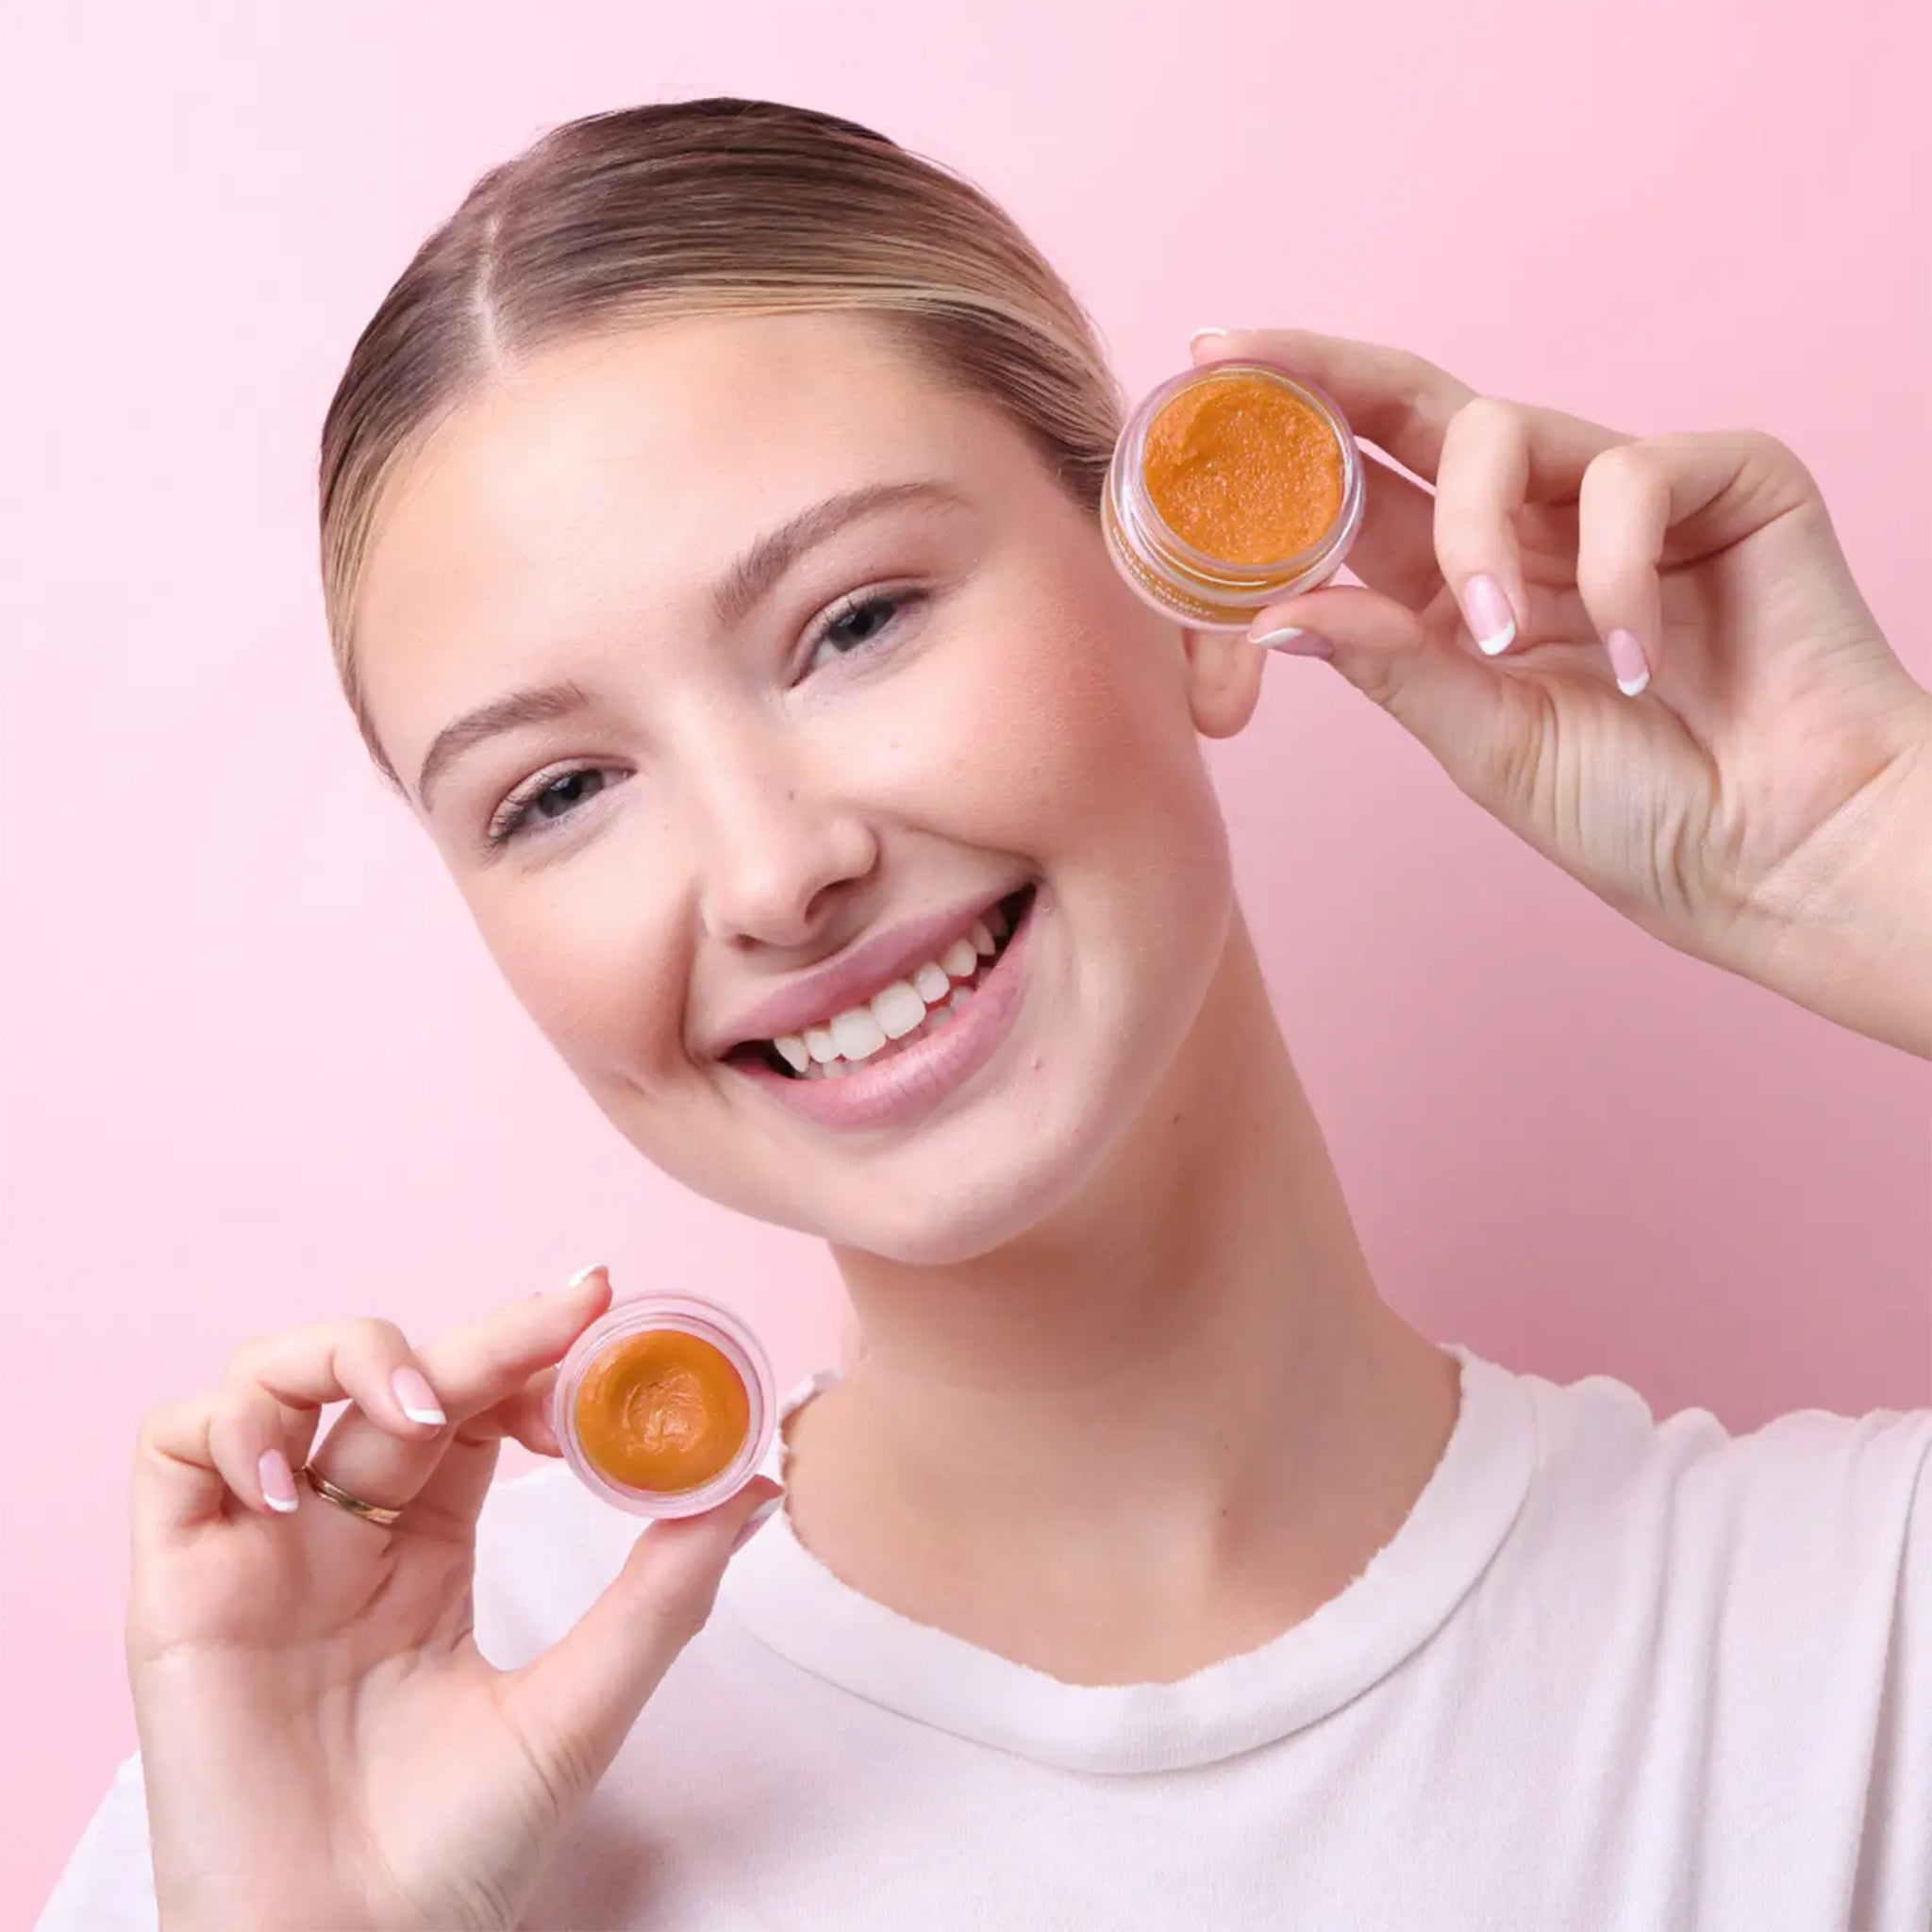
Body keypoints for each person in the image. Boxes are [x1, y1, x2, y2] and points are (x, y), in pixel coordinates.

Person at [41, 97, 1929, 1932]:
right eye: (555, 794)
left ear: (1187, 585)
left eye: (855, 622)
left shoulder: (1851, 1658)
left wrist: (1866, 869)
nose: (775, 871)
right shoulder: (355, 1767)